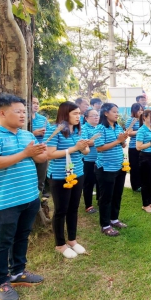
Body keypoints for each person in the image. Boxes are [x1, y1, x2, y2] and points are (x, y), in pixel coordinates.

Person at [0, 94, 48, 300]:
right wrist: (25, 153)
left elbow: (39, 159)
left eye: (24, 112)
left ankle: (17, 272)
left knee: (22, 236)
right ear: (2, 113)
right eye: (18, 111)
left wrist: (39, 152)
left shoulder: (26, 135)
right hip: (4, 200)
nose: (23, 115)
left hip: (29, 196)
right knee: (2, 242)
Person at [45, 102, 90, 259]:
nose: (79, 116)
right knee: (61, 210)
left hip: (78, 173)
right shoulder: (54, 130)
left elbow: (85, 151)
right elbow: (49, 154)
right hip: (60, 176)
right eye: (75, 113)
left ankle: (72, 240)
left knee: (73, 208)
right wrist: (74, 148)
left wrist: (84, 147)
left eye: (79, 113)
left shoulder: (78, 130)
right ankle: (60, 244)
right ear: (65, 114)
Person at [94, 103, 128, 236]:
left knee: (117, 195)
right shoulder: (100, 128)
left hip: (119, 166)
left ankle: (114, 219)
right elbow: (99, 147)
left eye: (117, 111)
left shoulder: (118, 126)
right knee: (106, 197)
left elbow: (122, 144)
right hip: (106, 168)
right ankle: (105, 225)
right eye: (114, 111)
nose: (117, 114)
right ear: (106, 113)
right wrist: (117, 140)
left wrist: (123, 140)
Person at [135, 109, 151, 213]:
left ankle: (150, 202)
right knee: (145, 181)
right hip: (145, 157)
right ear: (144, 117)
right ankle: (145, 204)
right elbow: (138, 147)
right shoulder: (141, 130)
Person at [82, 109, 100, 214]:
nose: (96, 117)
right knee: (88, 183)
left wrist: (92, 142)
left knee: (99, 181)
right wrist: (97, 141)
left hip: (100, 159)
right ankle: (88, 205)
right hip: (88, 160)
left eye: (97, 115)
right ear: (86, 118)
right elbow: (85, 143)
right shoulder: (84, 128)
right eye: (93, 115)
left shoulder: (100, 127)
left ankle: (99, 200)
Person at [31, 97, 49, 200]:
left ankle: (39, 197)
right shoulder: (23, 118)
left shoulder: (43, 119)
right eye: (33, 103)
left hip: (42, 150)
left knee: (41, 177)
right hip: (28, 152)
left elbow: (50, 133)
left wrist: (46, 134)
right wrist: (34, 133)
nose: (36, 105)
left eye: (37, 103)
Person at [125, 103, 143, 192]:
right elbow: (129, 133)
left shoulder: (142, 120)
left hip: (143, 147)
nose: (141, 112)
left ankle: (141, 183)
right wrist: (141, 131)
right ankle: (135, 186)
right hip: (133, 147)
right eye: (139, 110)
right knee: (135, 167)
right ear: (134, 111)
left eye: (142, 110)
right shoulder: (131, 120)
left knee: (141, 166)